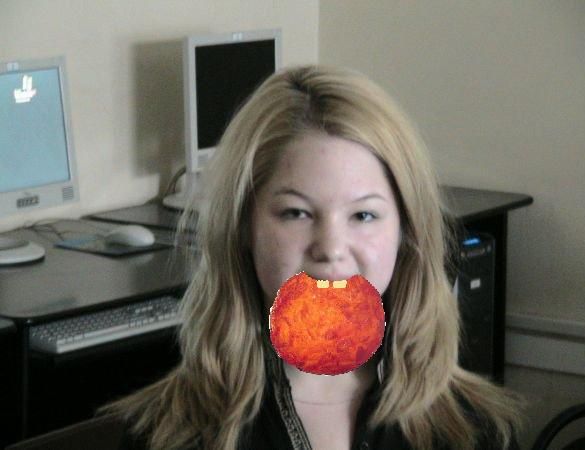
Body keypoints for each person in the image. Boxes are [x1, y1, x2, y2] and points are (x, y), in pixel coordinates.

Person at [105, 65, 522, 450]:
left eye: (363, 215)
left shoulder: (477, 429)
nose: (331, 248)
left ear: (406, 231)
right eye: (296, 213)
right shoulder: (164, 435)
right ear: (243, 228)